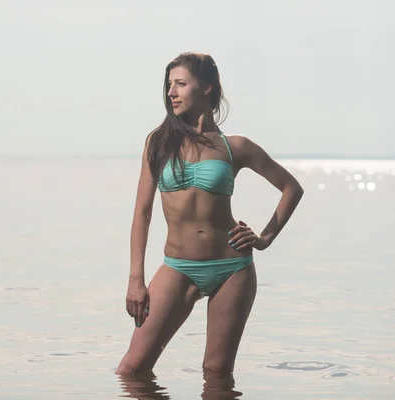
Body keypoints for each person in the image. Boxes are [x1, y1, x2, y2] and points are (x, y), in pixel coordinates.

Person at [115, 52, 304, 376]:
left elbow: (291, 187)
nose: (171, 92)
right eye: (169, 84)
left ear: (206, 88)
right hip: (177, 267)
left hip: (232, 268)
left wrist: (265, 237)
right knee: (131, 371)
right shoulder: (159, 142)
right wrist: (136, 277)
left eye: (181, 84)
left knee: (216, 375)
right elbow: (142, 212)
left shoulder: (235, 147)